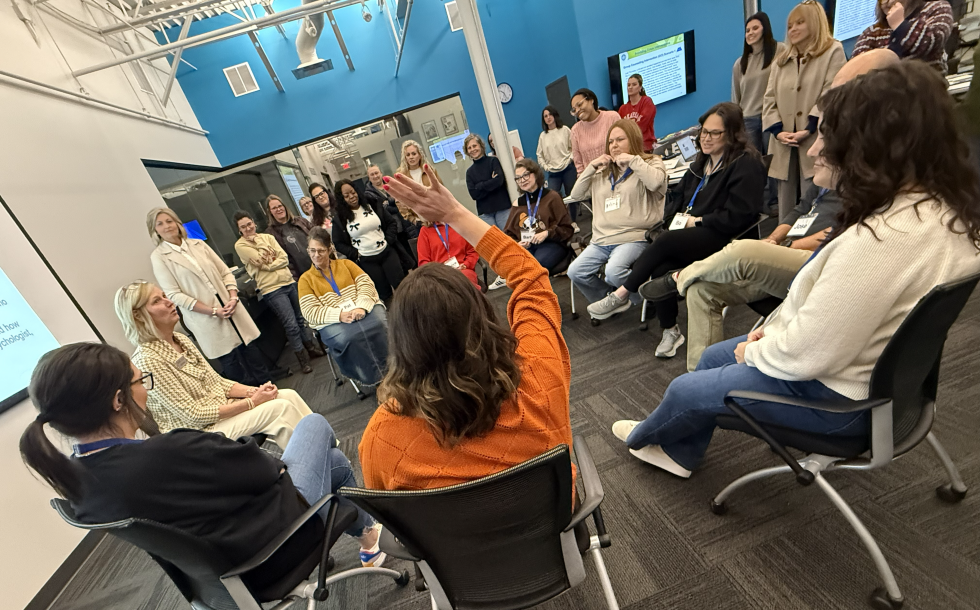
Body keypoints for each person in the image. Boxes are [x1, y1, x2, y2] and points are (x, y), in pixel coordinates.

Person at [612, 61, 980, 479]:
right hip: (882, 384)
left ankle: (643, 437)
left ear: (867, 149)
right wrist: (772, 334)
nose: (814, 149)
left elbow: (808, 354)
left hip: (841, 404)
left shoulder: (878, 242)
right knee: (713, 355)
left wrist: (755, 350)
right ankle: (680, 452)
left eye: (827, 137)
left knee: (686, 388)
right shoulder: (943, 211)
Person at [640, 48, 901, 372]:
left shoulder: (874, 173)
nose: (814, 150)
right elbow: (799, 209)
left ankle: (678, 277)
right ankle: (698, 373)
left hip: (814, 259)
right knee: (701, 290)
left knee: (742, 251)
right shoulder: (835, 172)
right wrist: (777, 238)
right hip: (792, 251)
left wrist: (789, 245)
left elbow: (843, 234)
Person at [19, 343, 387, 570]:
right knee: (315, 428)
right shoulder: (171, 451)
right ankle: (371, 534)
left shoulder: (76, 485)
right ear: (118, 400)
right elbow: (268, 470)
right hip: (277, 546)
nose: (144, 391)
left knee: (332, 464)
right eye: (140, 382)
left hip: (219, 576)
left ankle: (369, 538)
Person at [358, 163, 574, 491]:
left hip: (454, 528)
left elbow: (389, 511)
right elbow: (530, 277)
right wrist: (455, 214)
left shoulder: (383, 438)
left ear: (401, 344)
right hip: (554, 519)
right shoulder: (539, 376)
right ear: (483, 315)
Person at [587, 103, 766, 359]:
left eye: (714, 133)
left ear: (732, 134)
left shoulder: (746, 164)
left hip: (725, 236)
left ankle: (622, 293)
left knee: (666, 241)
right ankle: (671, 331)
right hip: (693, 235)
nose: (706, 138)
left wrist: (699, 221)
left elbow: (739, 216)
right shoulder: (702, 163)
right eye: (704, 131)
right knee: (661, 267)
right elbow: (678, 199)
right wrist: (678, 219)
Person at [114, 281, 312, 448]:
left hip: (220, 414)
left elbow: (218, 382)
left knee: (287, 395)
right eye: (157, 301)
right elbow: (193, 416)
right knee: (280, 410)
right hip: (196, 435)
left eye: (165, 296)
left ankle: (325, 454)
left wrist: (255, 392)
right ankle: (310, 471)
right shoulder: (147, 360)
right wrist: (252, 402)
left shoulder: (181, 339)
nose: (169, 302)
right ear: (138, 315)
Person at [148, 207, 285, 387]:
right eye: (160, 224)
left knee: (251, 349)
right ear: (154, 230)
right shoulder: (159, 257)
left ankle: (270, 388)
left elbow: (225, 272)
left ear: (177, 223)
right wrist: (213, 311)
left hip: (229, 304)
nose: (167, 226)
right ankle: (247, 398)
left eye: (169, 221)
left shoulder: (198, 244)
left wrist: (233, 297)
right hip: (205, 315)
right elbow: (174, 294)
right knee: (231, 361)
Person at [567, 120, 667, 311]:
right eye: (611, 141)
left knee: (613, 272)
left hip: (633, 237)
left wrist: (633, 161)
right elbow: (577, 195)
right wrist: (591, 166)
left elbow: (655, 183)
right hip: (601, 240)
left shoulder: (650, 162)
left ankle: (646, 300)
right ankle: (612, 299)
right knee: (575, 271)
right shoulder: (603, 171)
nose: (614, 145)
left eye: (620, 140)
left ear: (633, 139)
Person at [763, 1, 845, 223]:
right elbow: (769, 98)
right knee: (786, 207)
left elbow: (832, 92)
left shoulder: (833, 51)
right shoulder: (780, 61)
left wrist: (810, 127)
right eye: (790, 25)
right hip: (784, 143)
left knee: (815, 202)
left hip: (814, 138)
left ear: (815, 22)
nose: (793, 29)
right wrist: (778, 131)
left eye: (800, 23)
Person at [234, 211, 324, 374]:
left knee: (300, 319)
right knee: (291, 325)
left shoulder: (267, 237)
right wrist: (265, 252)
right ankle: (302, 360)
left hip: (288, 281)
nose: (248, 228)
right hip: (271, 288)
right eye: (243, 227)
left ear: (254, 222)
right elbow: (261, 258)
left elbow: (283, 258)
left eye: (249, 224)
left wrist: (268, 264)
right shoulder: (240, 246)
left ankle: (311, 349)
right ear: (239, 230)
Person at [298, 227, 389, 386]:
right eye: (312, 250)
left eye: (321, 250)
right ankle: (374, 379)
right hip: (333, 319)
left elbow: (366, 285)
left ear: (330, 249)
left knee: (380, 326)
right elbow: (310, 311)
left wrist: (361, 307)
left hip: (361, 308)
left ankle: (393, 370)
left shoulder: (346, 264)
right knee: (350, 338)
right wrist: (339, 315)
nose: (316, 255)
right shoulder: (305, 280)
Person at [331, 180, 405, 301]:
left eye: (353, 192)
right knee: (384, 295)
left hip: (387, 252)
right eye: (346, 196)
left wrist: (388, 240)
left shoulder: (372, 204)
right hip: (367, 261)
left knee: (402, 286)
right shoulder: (340, 218)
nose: (352, 197)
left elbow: (391, 223)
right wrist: (355, 253)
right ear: (341, 199)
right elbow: (338, 243)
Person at [503, 158, 574, 273]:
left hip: (552, 243)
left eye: (525, 175)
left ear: (535, 174)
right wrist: (517, 243)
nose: (522, 180)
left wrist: (547, 233)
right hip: (528, 246)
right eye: (518, 178)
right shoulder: (518, 204)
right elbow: (508, 234)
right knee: (515, 268)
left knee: (533, 267)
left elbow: (567, 229)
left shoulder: (552, 197)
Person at [853, 0, 954, 73]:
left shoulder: (937, 8)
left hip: (926, 89)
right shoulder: (872, 32)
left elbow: (930, 42)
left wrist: (899, 25)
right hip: (885, 93)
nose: (886, 1)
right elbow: (856, 69)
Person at [733, 12, 784, 157]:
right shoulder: (740, 64)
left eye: (755, 28)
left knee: (774, 161)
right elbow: (736, 96)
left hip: (772, 115)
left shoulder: (780, 50)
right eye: (747, 30)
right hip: (748, 119)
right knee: (754, 162)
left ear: (765, 29)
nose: (750, 33)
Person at [463, 133, 510, 290]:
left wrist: (481, 186)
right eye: (469, 147)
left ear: (481, 146)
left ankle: (515, 269)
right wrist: (490, 183)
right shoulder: (470, 172)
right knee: (494, 246)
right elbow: (473, 194)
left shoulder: (493, 161)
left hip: (502, 207)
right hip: (485, 213)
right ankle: (502, 274)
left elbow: (499, 181)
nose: (473, 149)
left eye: (474, 146)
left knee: (509, 240)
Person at [366, 165, 418, 272]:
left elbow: (403, 202)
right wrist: (393, 204)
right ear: (369, 177)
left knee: (415, 257)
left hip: (406, 226)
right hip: (391, 233)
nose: (375, 176)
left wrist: (389, 205)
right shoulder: (368, 195)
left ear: (381, 173)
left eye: (377, 173)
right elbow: (381, 212)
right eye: (372, 174)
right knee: (403, 265)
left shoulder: (392, 185)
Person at [536, 105, 579, 223]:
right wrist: (545, 167)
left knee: (571, 196)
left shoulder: (565, 130)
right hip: (553, 173)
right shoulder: (543, 136)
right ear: (543, 119)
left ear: (555, 115)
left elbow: (574, 147)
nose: (548, 118)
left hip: (568, 169)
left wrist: (570, 159)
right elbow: (539, 155)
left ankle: (573, 222)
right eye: (545, 116)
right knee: (553, 197)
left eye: (550, 114)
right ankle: (563, 222)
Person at [570, 88, 622, 176]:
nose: (578, 111)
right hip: (593, 180)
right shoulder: (575, 130)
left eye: (580, 104)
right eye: (574, 110)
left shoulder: (612, 117)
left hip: (617, 175)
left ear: (591, 100)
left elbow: (623, 147)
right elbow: (579, 165)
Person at [416, 218, 480, 289]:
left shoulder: (460, 225)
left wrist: (466, 264)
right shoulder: (425, 231)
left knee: (464, 283)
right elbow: (423, 262)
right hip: (439, 275)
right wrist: (439, 272)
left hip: (463, 270)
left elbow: (472, 252)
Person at [265, 194, 315, 281]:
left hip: (320, 266)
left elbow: (318, 238)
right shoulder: (270, 234)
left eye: (280, 206)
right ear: (270, 212)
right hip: (302, 278)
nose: (278, 209)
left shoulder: (301, 221)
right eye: (274, 208)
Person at [395, 139, 441, 228]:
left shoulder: (429, 170)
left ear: (420, 155)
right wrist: (413, 220)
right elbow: (399, 200)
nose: (411, 157)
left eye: (414, 154)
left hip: (437, 216)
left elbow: (440, 190)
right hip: (418, 221)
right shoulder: (401, 176)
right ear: (405, 158)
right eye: (408, 155)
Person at [618, 74, 657, 152]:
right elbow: (619, 129)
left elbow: (642, 126)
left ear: (640, 87)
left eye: (634, 84)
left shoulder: (646, 102)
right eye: (628, 85)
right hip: (630, 149)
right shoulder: (622, 108)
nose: (630, 87)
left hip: (646, 148)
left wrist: (628, 130)